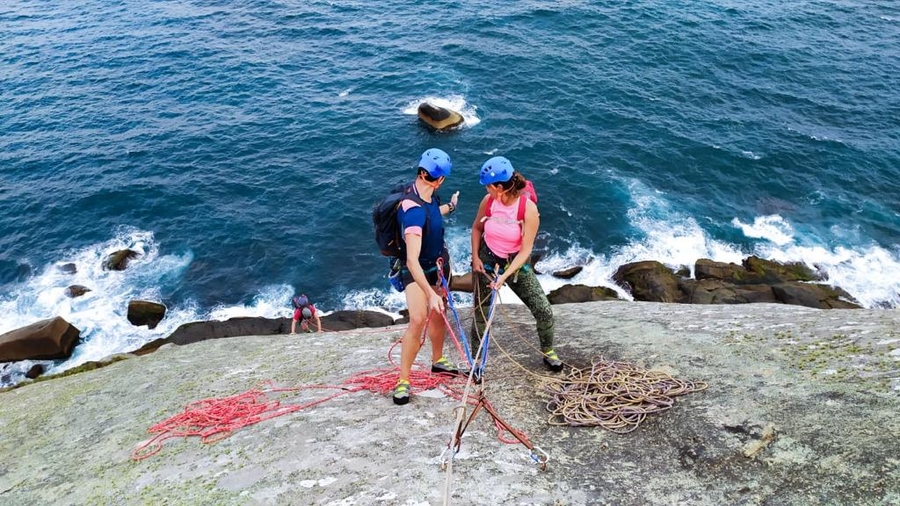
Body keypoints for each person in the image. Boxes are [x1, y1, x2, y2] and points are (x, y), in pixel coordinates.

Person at [470, 156, 563, 373]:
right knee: (481, 314)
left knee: (544, 310)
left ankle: (548, 351)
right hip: (487, 258)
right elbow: (476, 228)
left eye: (488, 186)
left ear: (499, 187)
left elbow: (526, 250)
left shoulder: (527, 209)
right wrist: (475, 258)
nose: (486, 190)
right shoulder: (488, 201)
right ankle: (476, 361)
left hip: (515, 263)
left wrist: (504, 276)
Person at [392, 148, 461, 405]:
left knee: (439, 315)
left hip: (437, 266)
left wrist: (450, 207)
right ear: (439, 179)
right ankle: (403, 380)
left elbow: (431, 214)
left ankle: (438, 360)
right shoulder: (412, 211)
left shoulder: (426, 195)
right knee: (418, 319)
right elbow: (411, 260)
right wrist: (430, 293)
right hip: (416, 270)